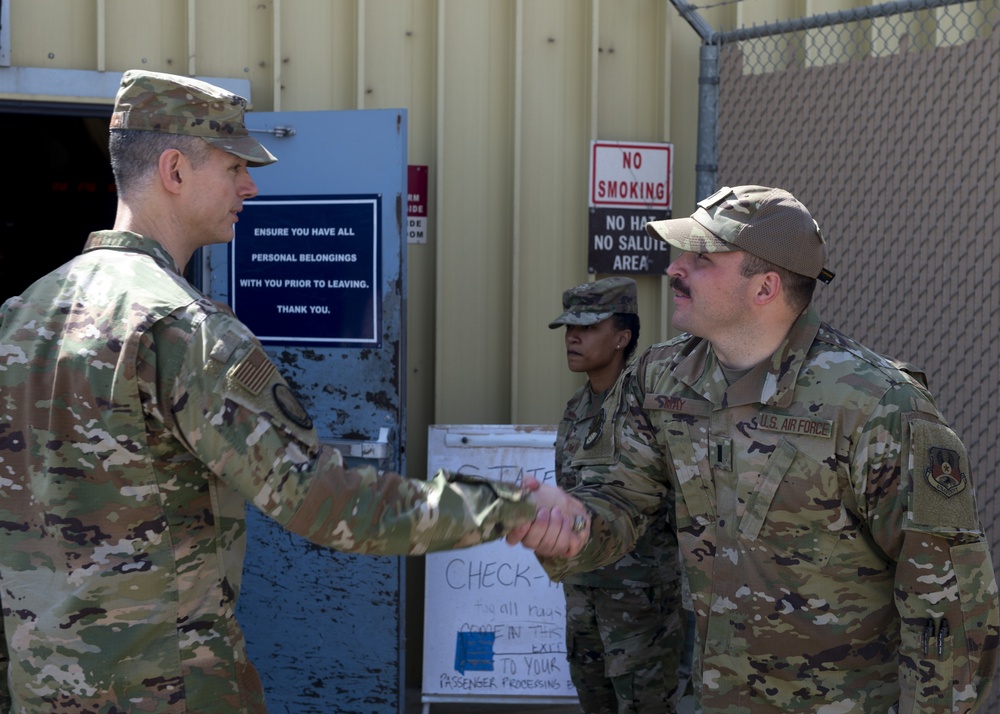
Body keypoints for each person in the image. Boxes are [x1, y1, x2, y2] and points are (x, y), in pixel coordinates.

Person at [0, 69, 586, 713]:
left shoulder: (24, 314)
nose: (250, 185)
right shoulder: (186, 331)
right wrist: (512, 508)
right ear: (174, 170)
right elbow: (324, 504)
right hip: (165, 689)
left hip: (44, 685)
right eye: (232, 167)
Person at [539, 185, 1000, 712]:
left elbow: (950, 603)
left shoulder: (877, 404)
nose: (674, 269)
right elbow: (621, 502)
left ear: (765, 287)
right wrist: (567, 523)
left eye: (702, 258)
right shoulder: (660, 377)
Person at [549, 277, 684, 713]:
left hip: (638, 600)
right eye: (570, 327)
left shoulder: (650, 406)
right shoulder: (576, 408)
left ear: (623, 337)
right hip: (584, 591)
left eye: (587, 327)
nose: (573, 336)